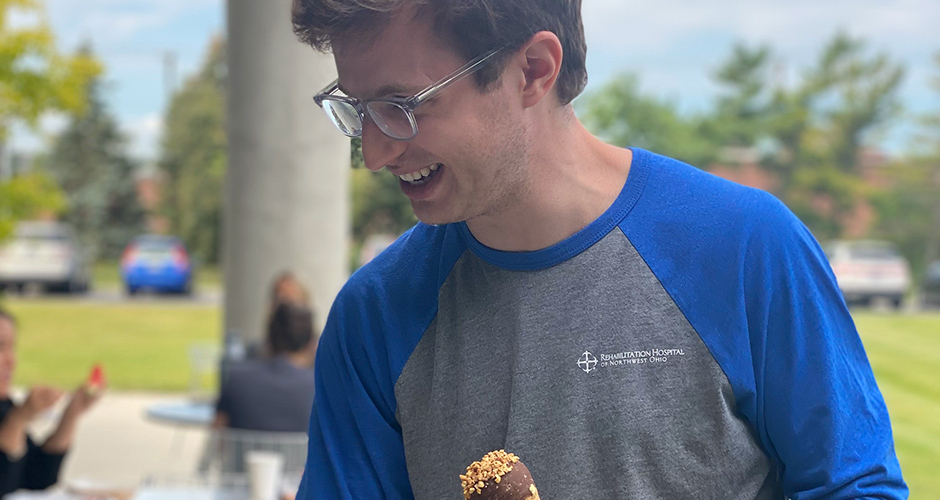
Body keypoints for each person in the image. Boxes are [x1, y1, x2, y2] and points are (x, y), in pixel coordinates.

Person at [290, 1, 908, 499]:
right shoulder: (372, 317)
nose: (373, 153)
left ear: (533, 69)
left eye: (400, 106)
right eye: (356, 108)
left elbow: (855, 486)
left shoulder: (744, 249)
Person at [0, 308, 102, 497]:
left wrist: (72, 413)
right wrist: (18, 420)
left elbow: (39, 476)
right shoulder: (10, 414)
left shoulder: (4, 406)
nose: (10, 360)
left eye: (11, 347)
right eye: (0, 347)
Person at [214, 302, 316, 432]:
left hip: (245, 452)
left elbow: (217, 437)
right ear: (311, 343)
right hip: (300, 453)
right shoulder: (317, 389)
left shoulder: (237, 380)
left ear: (269, 337)